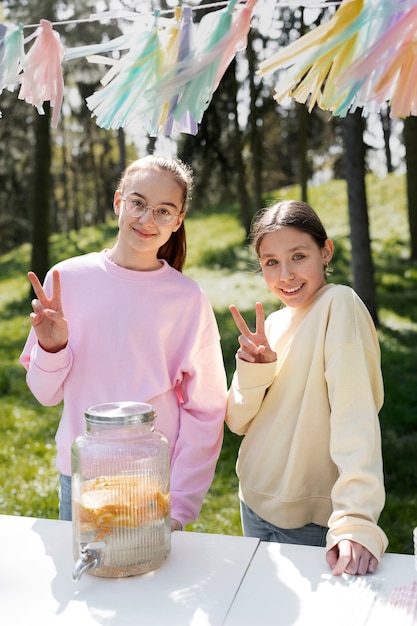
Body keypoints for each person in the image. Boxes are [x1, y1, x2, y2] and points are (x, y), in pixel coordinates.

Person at [20, 154, 227, 532]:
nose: (147, 219)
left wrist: (180, 503)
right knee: (90, 584)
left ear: (178, 220)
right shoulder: (66, 279)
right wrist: (52, 349)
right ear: (119, 202)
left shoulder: (187, 299)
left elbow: (207, 409)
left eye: (164, 211)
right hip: (82, 478)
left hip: (152, 482)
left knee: (151, 587)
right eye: (138, 203)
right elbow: (44, 394)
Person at [226, 200, 388, 576]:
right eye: (271, 262)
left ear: (325, 251)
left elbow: (356, 417)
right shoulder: (277, 324)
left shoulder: (339, 304)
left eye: (298, 256)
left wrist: (356, 519)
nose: (285, 275)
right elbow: (237, 420)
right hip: (252, 502)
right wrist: (254, 371)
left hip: (307, 523)